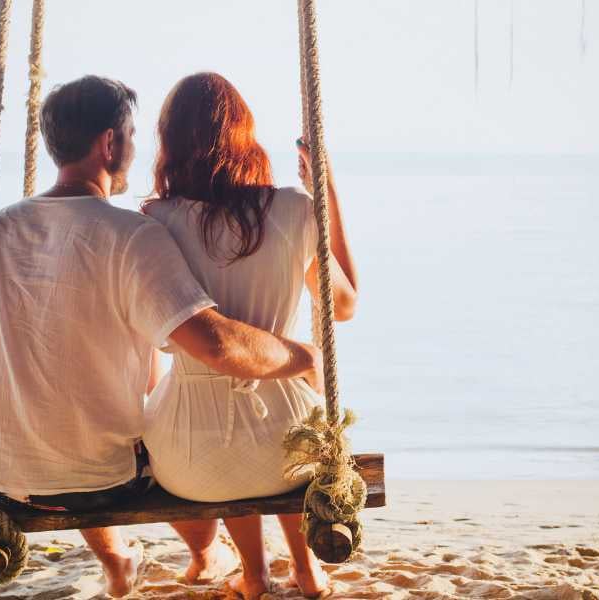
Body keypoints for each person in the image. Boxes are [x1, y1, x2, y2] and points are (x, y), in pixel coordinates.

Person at [0, 75, 323, 598]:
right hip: (105, 481)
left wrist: (41, 395)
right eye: (129, 133)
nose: (135, 145)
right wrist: (301, 355)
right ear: (109, 143)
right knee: (157, 442)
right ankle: (205, 553)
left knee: (101, 430)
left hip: (5, 478)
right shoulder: (131, 235)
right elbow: (216, 345)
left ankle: (128, 561)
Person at [142, 72, 358, 599]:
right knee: (287, 440)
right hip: (289, 446)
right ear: (246, 134)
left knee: (229, 445)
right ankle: (307, 572)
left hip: (189, 460)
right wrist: (324, 194)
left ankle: (255, 576)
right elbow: (344, 305)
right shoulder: (293, 209)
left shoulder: (154, 221)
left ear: (168, 141)